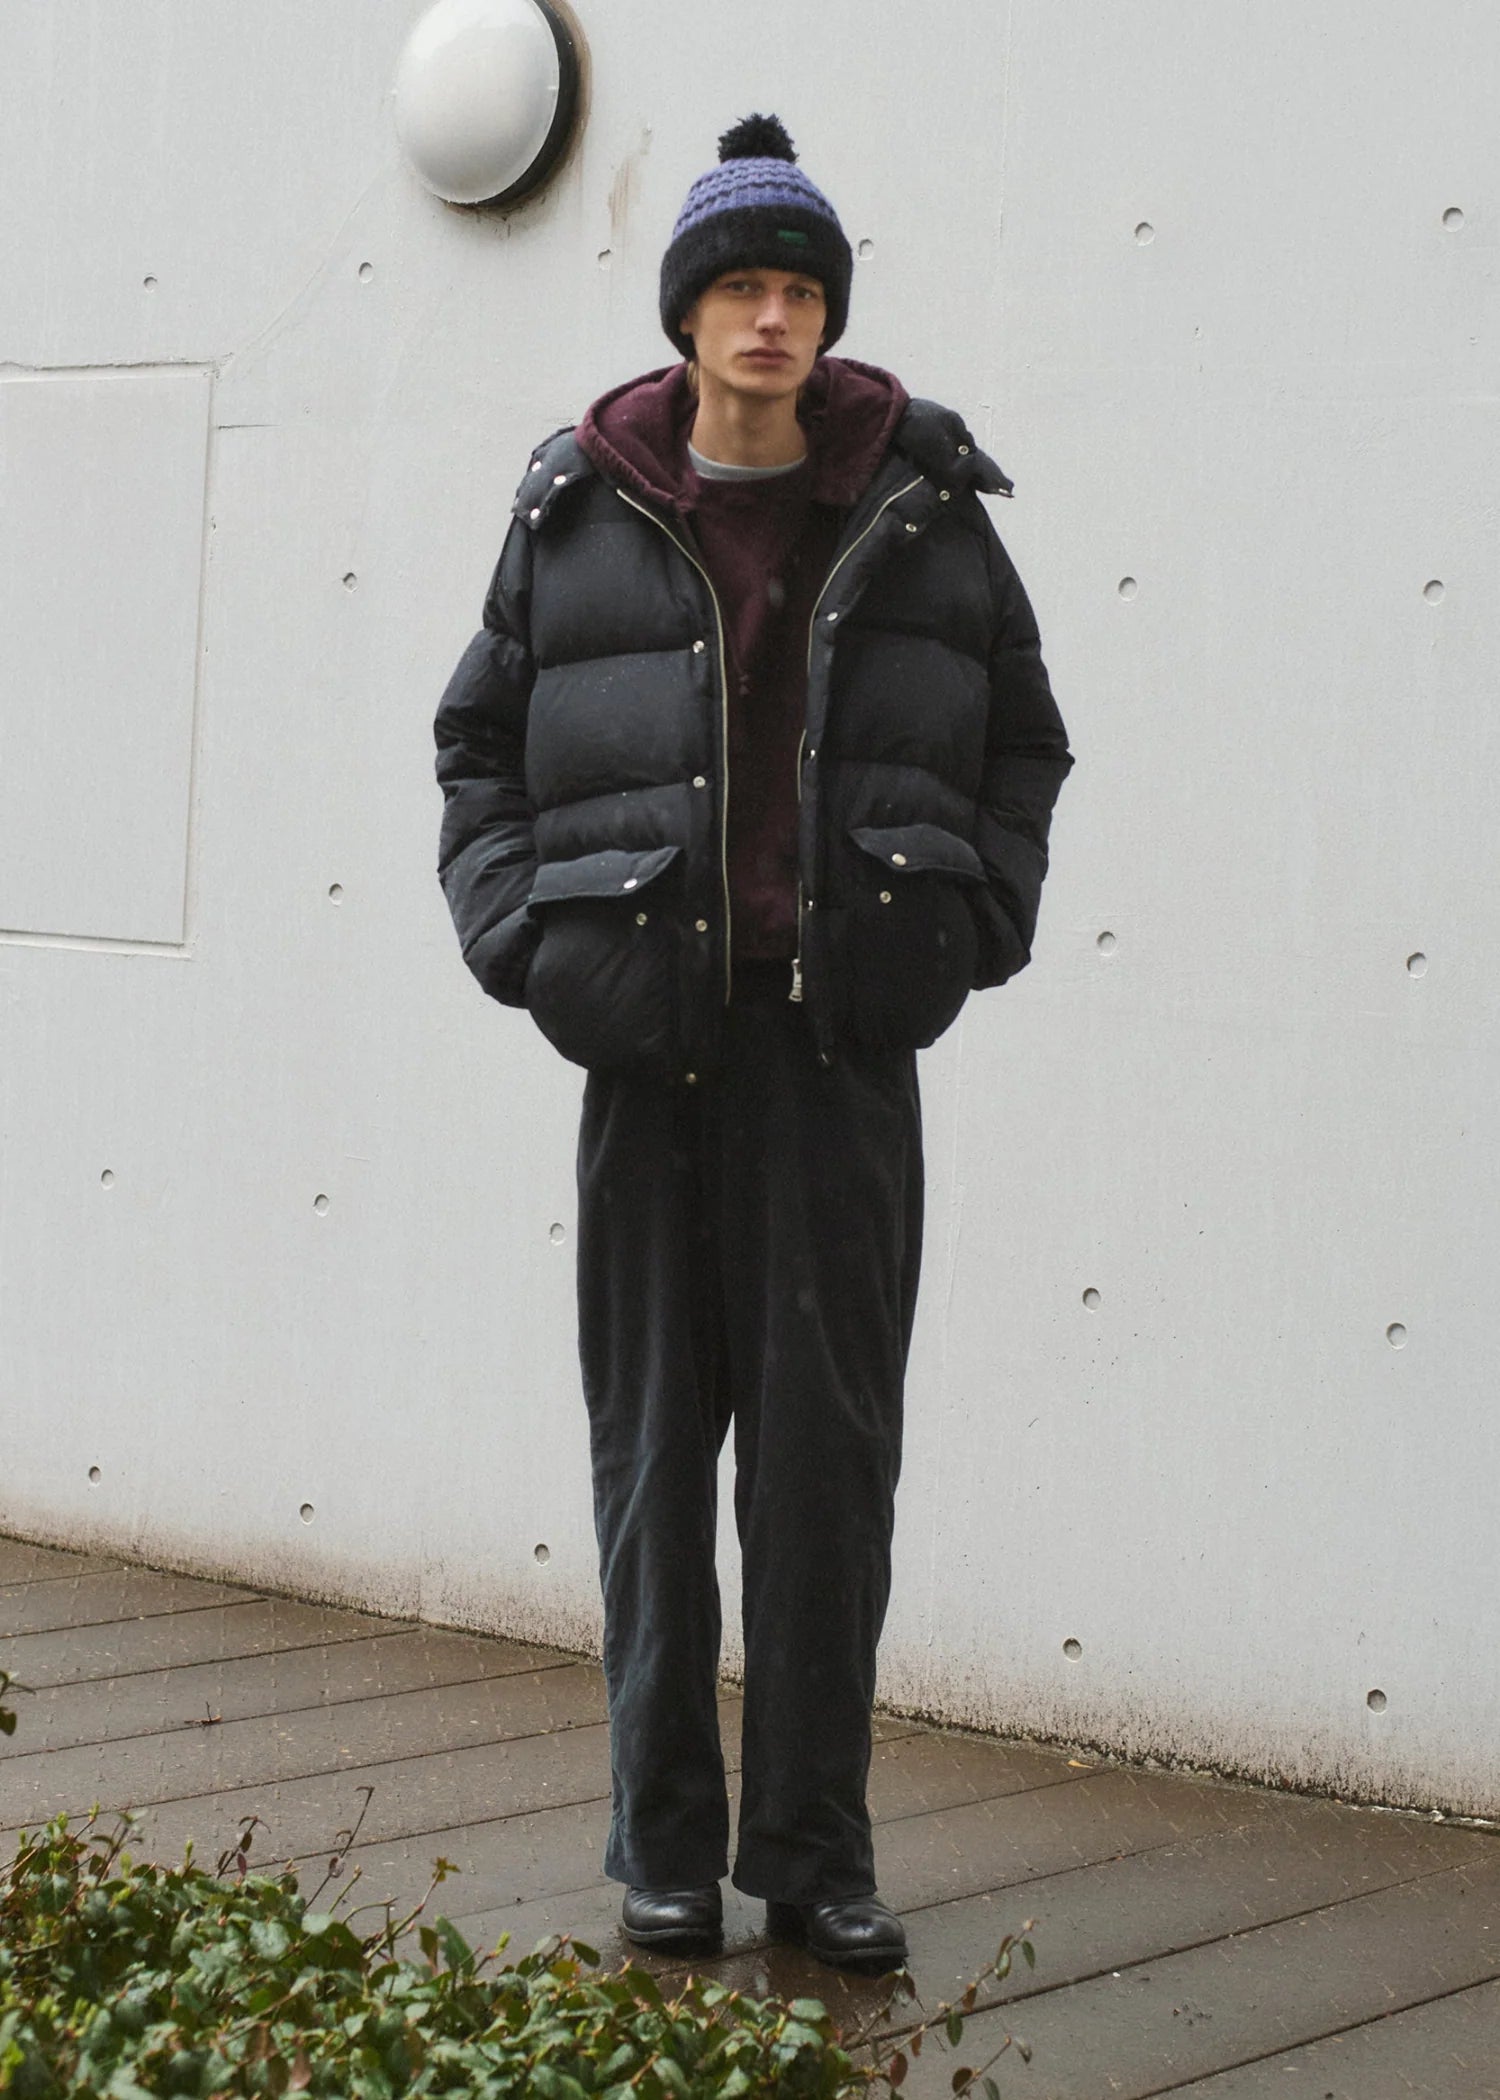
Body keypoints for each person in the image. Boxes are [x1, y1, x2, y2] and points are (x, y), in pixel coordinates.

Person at [434, 113, 1073, 1975]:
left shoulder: (925, 512)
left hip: (837, 1064)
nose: (772, 318)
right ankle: (662, 1852)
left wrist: (976, 919)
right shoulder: (577, 510)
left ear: (827, 316)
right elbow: (476, 748)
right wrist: (520, 942)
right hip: (648, 1061)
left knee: (823, 1476)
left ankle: (814, 1852)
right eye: (742, 288)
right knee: (651, 1471)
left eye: (800, 289)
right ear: (690, 317)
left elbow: (1023, 744)